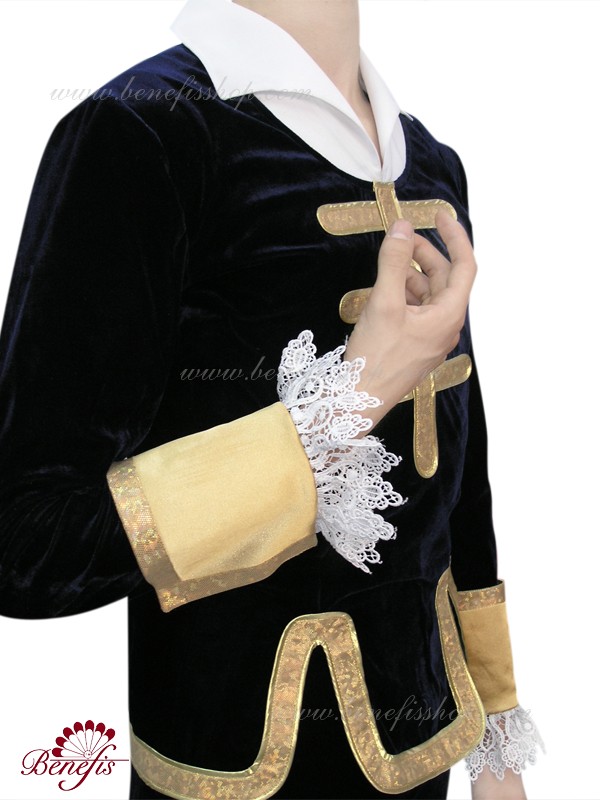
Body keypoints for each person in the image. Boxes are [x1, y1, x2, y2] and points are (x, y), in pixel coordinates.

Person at [0, 0, 543, 797]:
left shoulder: (429, 162)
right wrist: (342, 409)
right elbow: (25, 540)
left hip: (427, 741)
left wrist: (496, 726)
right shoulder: (141, 133)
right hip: (236, 763)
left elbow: (462, 475)